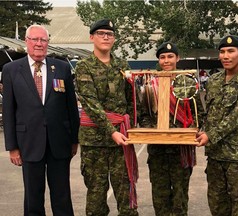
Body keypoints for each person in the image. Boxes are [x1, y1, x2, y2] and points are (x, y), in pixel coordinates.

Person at [2, 24, 80, 215]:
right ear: (26, 42)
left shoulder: (61, 68)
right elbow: (9, 109)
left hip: (59, 142)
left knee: (61, 196)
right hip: (28, 142)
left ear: (48, 43)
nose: (39, 44)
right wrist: (12, 147)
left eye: (43, 40)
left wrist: (74, 139)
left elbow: (71, 106)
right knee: (33, 197)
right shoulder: (11, 69)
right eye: (35, 39)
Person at [75, 19, 139, 216]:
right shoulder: (84, 67)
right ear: (91, 37)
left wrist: (134, 127)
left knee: (126, 197)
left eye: (109, 34)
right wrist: (112, 132)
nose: (105, 37)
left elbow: (131, 100)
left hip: (121, 140)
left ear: (114, 39)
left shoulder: (122, 65)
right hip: (95, 143)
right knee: (96, 200)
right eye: (101, 33)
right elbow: (91, 104)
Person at [195, 35, 238, 216]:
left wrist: (209, 135)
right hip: (216, 158)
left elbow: (237, 116)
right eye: (222, 52)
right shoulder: (213, 81)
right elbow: (208, 114)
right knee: (218, 209)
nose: (226, 56)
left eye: (231, 51)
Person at [142, 42, 204, 216]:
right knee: (160, 197)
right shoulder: (150, 85)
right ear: (158, 60)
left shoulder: (187, 84)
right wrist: (152, 131)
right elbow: (143, 115)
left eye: (170, 56)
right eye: (162, 57)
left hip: (181, 150)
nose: (166, 60)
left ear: (178, 58)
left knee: (180, 197)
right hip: (157, 150)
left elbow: (198, 114)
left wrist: (192, 131)